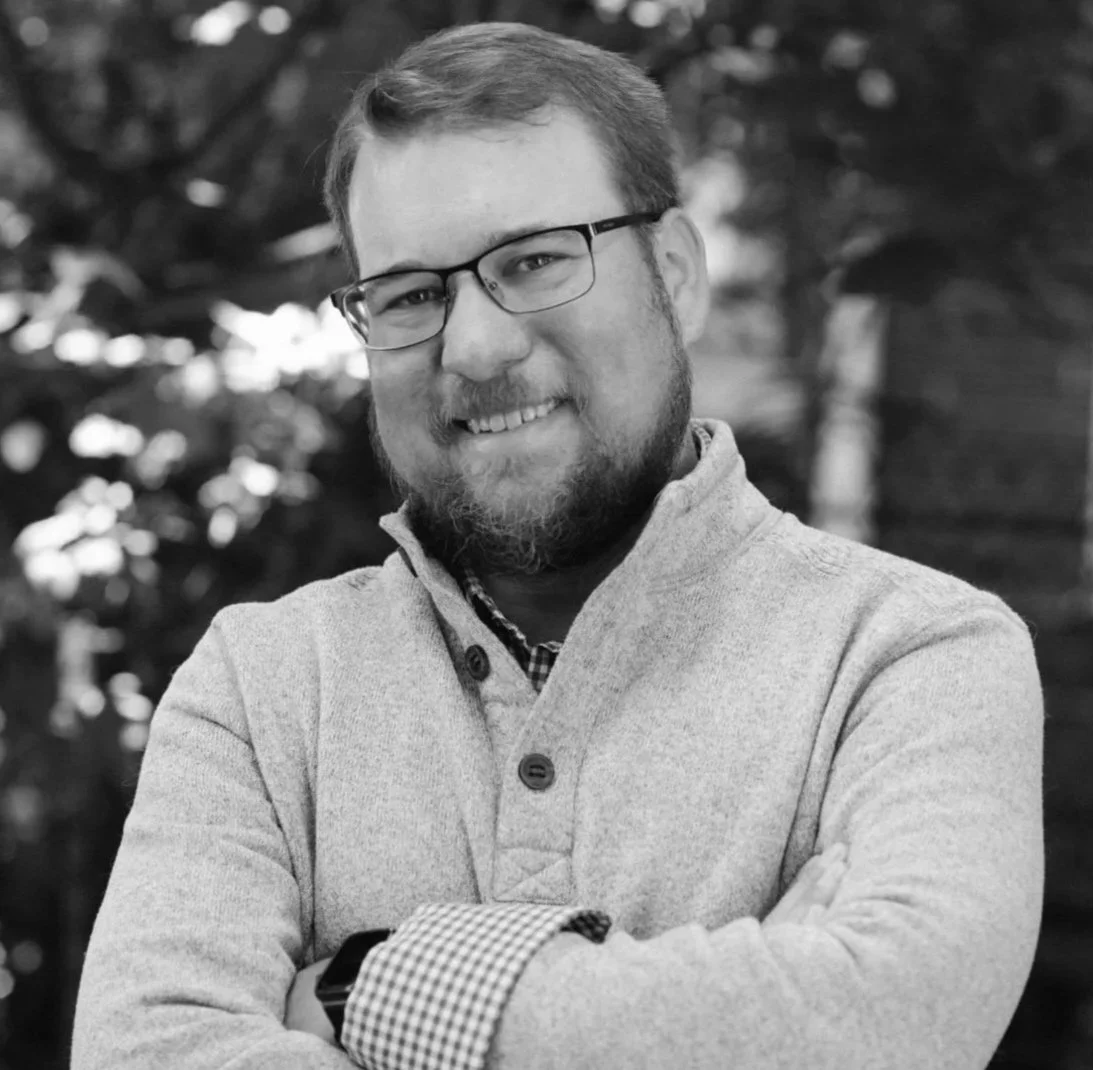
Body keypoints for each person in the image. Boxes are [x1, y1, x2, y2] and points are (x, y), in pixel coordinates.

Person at [71, 21, 1044, 1070]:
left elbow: (892, 1022)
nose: (476, 344)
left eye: (534, 261)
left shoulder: (910, 655)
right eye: (408, 294)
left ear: (672, 273)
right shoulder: (258, 687)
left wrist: (369, 988)